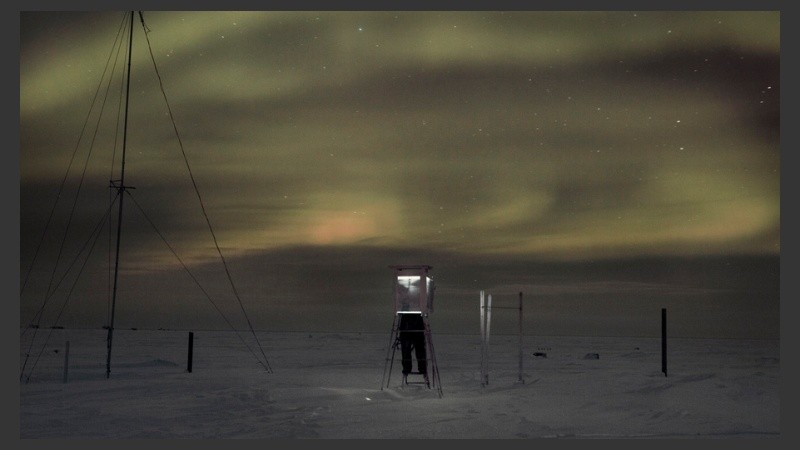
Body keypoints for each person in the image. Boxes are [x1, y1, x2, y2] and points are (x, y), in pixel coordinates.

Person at [398, 313, 428, 385]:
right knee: (415, 349)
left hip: (409, 323)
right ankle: (418, 369)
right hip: (410, 323)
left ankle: (420, 369)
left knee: (417, 349)